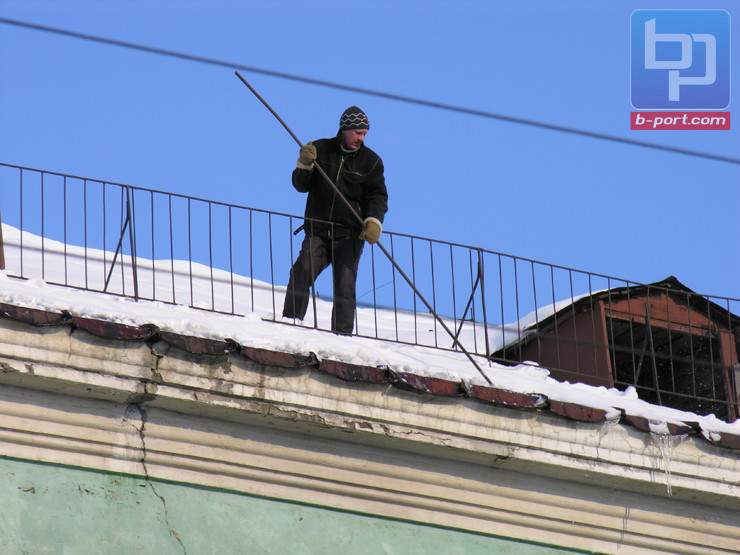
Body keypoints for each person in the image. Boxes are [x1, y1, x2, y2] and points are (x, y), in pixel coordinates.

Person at [282, 106, 388, 335]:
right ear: (344, 129)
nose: (361, 138)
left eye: (364, 134)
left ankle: (342, 337)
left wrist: (373, 222)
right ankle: (291, 323)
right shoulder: (320, 149)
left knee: (344, 288)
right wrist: (304, 164)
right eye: (357, 133)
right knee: (301, 271)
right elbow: (300, 185)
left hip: (349, 235)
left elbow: (377, 197)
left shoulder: (371, 162)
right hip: (319, 230)